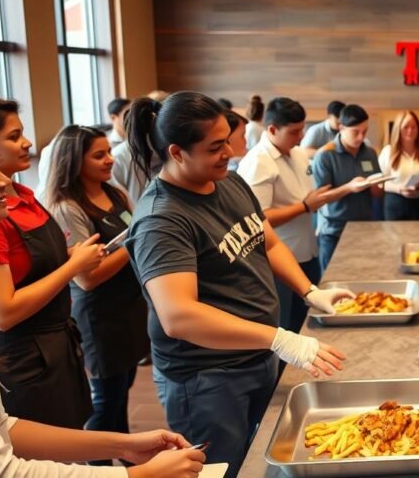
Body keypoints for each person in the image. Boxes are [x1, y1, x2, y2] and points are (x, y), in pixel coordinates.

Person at [123, 92, 352, 478]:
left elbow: (268, 240)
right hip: (207, 378)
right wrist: (280, 338)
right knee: (220, 470)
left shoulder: (228, 182)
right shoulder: (162, 220)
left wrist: (309, 291)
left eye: (228, 139)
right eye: (215, 147)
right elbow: (179, 316)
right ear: (177, 152)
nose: (229, 151)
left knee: (257, 457)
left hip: (257, 354)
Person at [0, 133, 206, 478]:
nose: (2, 180)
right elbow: (1, 469)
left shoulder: (105, 194)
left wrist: (122, 444)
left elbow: (1, 428)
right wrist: (136, 474)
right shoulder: (54, 208)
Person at [0, 98, 102, 429]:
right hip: (22, 356)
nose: (28, 143)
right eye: (14, 136)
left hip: (56, 341)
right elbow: (2, 313)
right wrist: (72, 268)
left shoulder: (25, 195)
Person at [43, 125, 151, 463]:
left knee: (122, 389)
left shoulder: (115, 193)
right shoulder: (67, 208)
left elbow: (135, 231)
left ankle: (124, 455)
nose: (109, 160)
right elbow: (87, 279)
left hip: (128, 308)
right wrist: (133, 243)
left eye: (109, 152)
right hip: (99, 317)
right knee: (105, 400)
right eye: (99, 155)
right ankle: (100, 466)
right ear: (75, 161)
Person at [238, 97, 328, 333]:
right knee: (284, 328)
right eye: (294, 131)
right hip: (277, 259)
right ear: (272, 129)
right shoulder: (258, 162)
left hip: (307, 250)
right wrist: (305, 207)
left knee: (305, 322)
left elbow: (304, 195)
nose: (301, 136)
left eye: (303, 129)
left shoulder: (297, 153)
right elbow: (257, 219)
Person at [311, 104, 383, 272]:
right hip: (334, 231)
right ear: (341, 128)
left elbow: (377, 193)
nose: (360, 137)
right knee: (333, 283)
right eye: (355, 132)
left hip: (364, 229)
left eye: (364, 132)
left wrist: (378, 183)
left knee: (364, 278)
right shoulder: (325, 155)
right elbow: (320, 198)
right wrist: (350, 187)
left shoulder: (370, 153)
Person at [379, 111, 419, 221]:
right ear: (398, 129)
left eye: (414, 127)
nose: (410, 131)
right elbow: (380, 182)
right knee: (394, 237)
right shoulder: (388, 152)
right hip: (395, 201)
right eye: (406, 127)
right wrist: (399, 189)